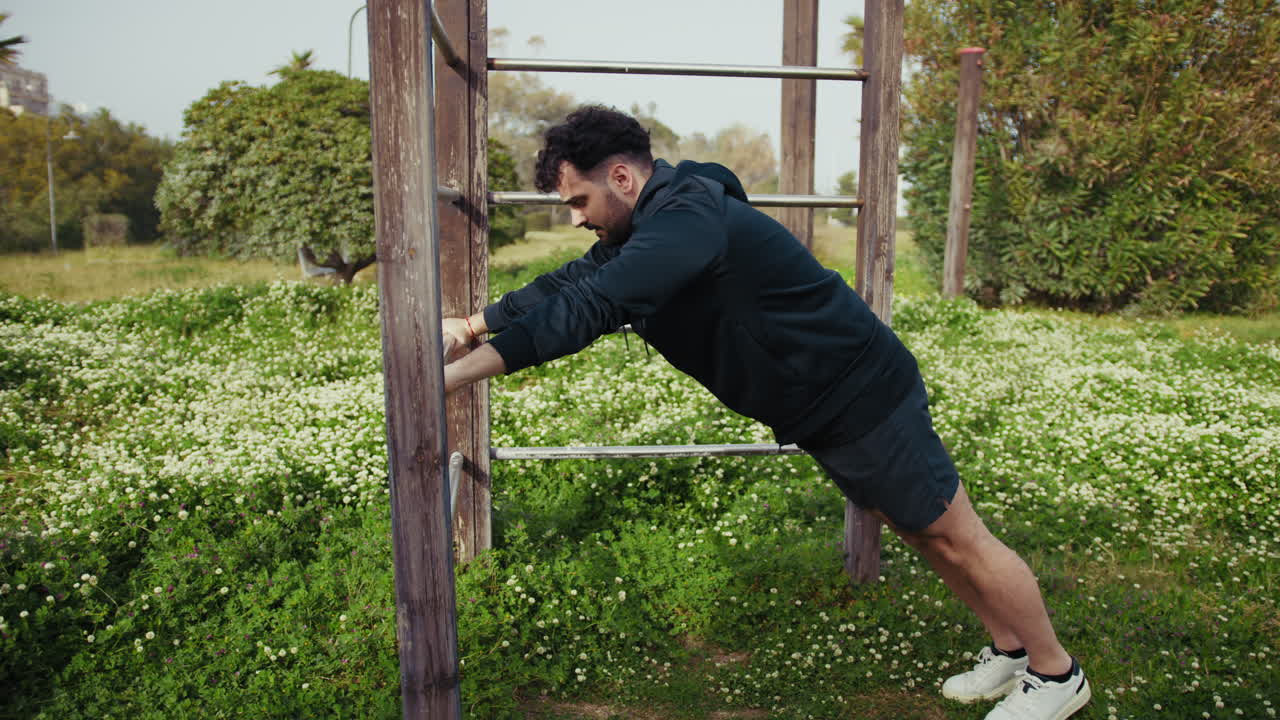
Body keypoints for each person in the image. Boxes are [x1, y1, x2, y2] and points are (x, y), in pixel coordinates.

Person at [441, 105, 1091, 720]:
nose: (578, 219)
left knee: (958, 534)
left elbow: (590, 310)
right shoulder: (642, 226)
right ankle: (1012, 654)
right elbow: (567, 285)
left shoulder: (687, 220)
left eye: (579, 201)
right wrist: (472, 326)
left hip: (860, 393)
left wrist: (451, 378)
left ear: (621, 177)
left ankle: (1058, 675)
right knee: (924, 531)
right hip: (823, 407)